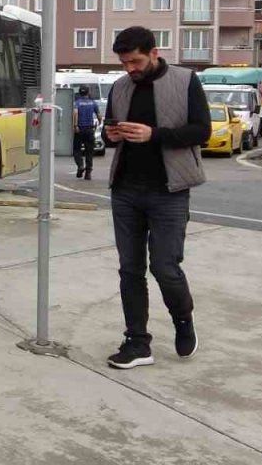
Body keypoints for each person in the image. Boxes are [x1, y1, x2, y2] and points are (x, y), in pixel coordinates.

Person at [101, 26, 210, 369]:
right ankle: (137, 342)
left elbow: (201, 131)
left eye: (134, 61)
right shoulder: (119, 87)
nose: (129, 69)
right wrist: (111, 134)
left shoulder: (185, 80)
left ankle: (183, 319)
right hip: (126, 190)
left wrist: (154, 135)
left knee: (165, 266)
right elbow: (109, 134)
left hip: (169, 190)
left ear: (154, 53)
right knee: (130, 269)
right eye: (123, 63)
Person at [72, 85, 101, 179]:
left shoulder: (77, 103)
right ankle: (88, 173)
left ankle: (80, 165)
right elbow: (99, 115)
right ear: (88, 93)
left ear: (79, 93)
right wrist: (99, 123)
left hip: (79, 129)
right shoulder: (93, 103)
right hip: (90, 129)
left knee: (77, 149)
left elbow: (75, 113)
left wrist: (75, 125)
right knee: (89, 151)